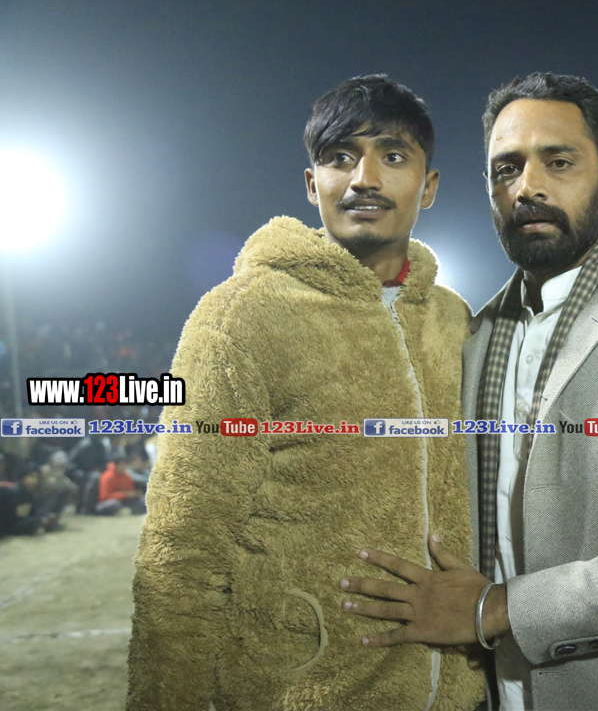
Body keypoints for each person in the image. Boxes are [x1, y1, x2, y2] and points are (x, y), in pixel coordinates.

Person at [339, 72, 598, 711]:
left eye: (558, 162)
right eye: (506, 169)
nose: (528, 187)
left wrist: (494, 608)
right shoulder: (475, 332)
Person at [127, 75, 485, 711]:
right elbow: (183, 542)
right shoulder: (242, 316)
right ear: (312, 183)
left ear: (428, 186)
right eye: (340, 157)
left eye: (392, 156)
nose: (364, 178)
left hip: (456, 694)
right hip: (298, 691)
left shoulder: (454, 320)